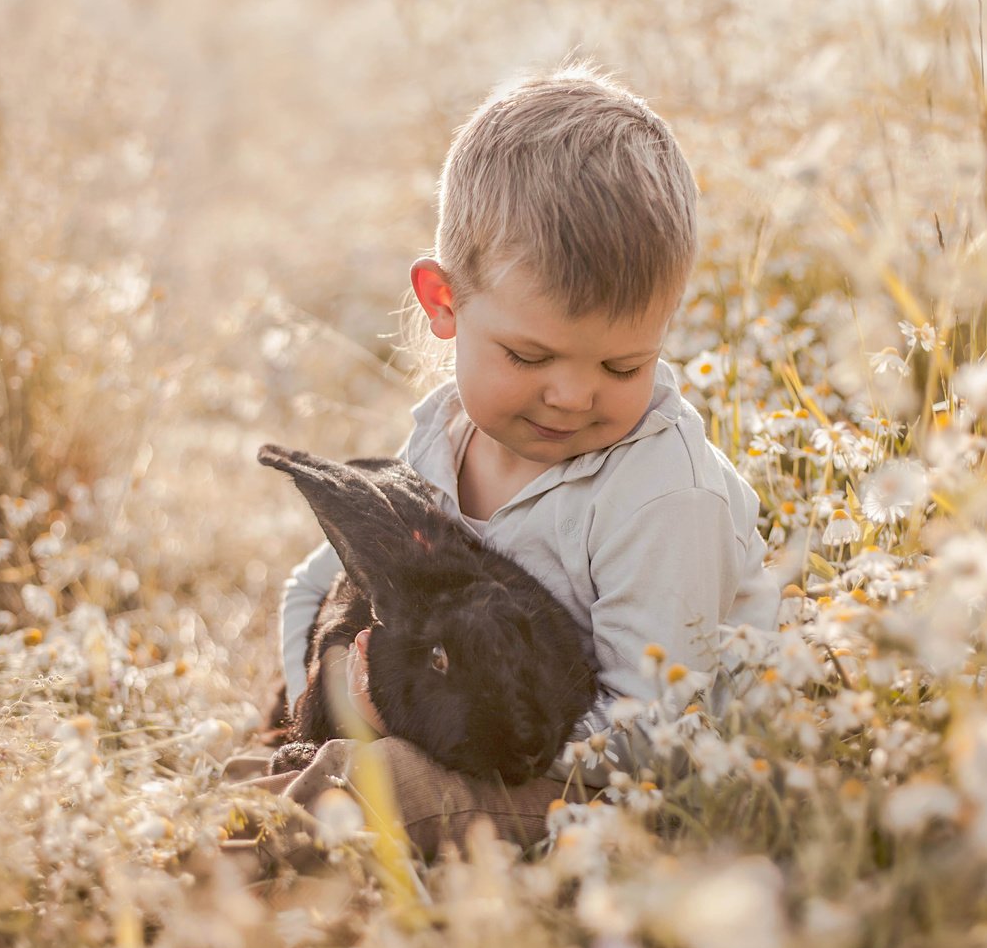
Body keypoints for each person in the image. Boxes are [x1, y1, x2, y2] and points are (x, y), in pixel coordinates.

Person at [262, 62, 780, 859]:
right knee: (307, 772)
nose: (573, 397)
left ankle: (250, 880)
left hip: (598, 786)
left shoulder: (663, 496)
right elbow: (319, 583)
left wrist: (423, 740)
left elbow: (650, 737)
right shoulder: (441, 440)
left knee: (369, 793)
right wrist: (326, 694)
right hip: (460, 737)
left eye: (621, 367)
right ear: (444, 302)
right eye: (529, 355)